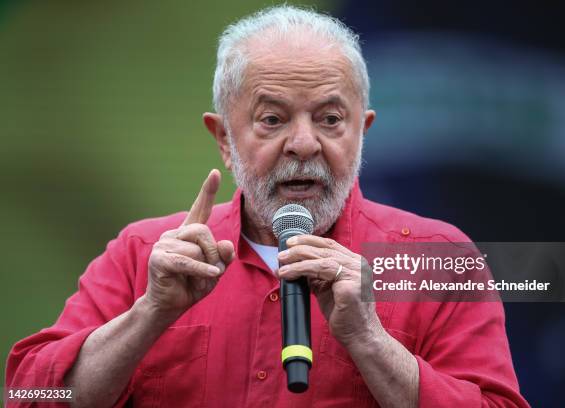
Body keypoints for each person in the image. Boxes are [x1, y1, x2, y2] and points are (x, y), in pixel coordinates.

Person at [5, 5, 529, 407]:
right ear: (224, 140)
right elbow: (28, 396)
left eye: (329, 119)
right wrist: (148, 315)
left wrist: (370, 340)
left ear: (362, 134)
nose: (304, 144)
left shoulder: (439, 260)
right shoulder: (143, 255)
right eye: (273, 119)